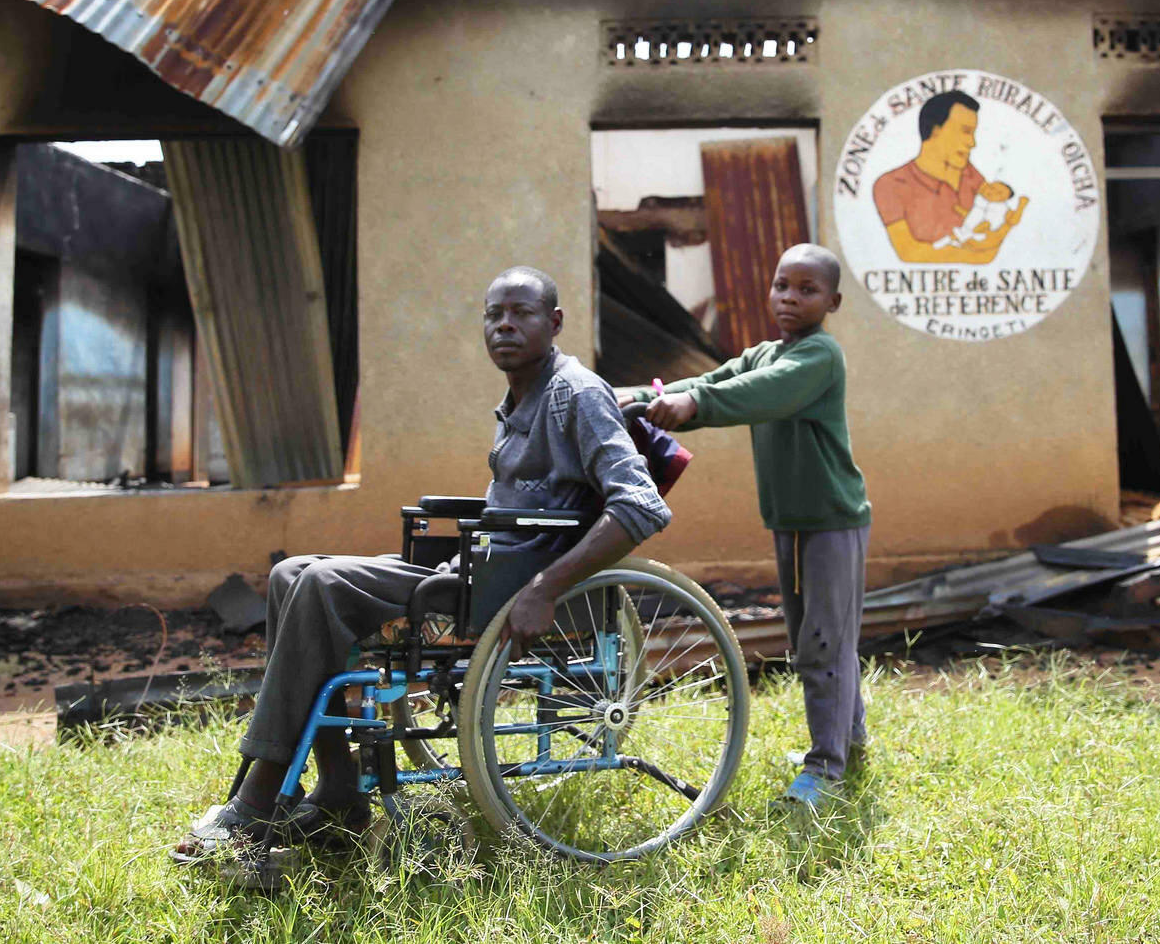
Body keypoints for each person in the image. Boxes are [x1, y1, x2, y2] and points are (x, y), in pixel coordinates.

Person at [173, 265, 669, 864]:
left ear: (555, 322)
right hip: (480, 568)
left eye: (522, 313)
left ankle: (258, 798)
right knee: (290, 574)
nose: (505, 325)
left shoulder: (576, 394)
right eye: (494, 315)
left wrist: (545, 587)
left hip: (511, 583)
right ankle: (337, 789)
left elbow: (641, 506)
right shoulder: (522, 395)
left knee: (322, 586)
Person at [617, 243, 870, 808]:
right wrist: (632, 397)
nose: (790, 298)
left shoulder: (819, 357)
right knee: (823, 636)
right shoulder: (763, 353)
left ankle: (827, 767)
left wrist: (693, 407)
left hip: (830, 522)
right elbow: (707, 382)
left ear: (832, 301)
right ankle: (847, 740)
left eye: (807, 290)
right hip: (794, 521)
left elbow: (751, 395)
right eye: (783, 285)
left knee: (824, 641)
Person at [871, 89, 1029, 264]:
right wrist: (980, 250)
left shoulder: (970, 172)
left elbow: (994, 222)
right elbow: (910, 253)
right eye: (965, 131)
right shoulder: (891, 184)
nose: (972, 143)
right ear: (936, 130)